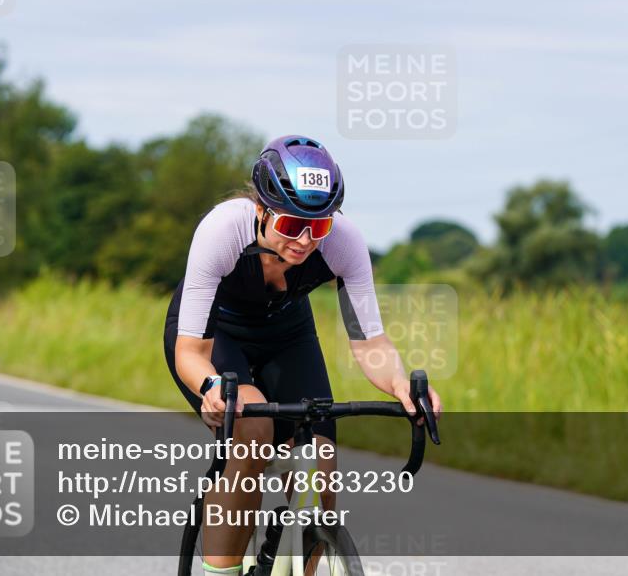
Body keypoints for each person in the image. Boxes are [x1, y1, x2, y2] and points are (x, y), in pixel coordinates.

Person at [163, 135, 442, 576]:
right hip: (217, 336)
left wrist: (399, 384)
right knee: (253, 429)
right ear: (262, 209)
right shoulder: (223, 230)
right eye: (293, 225)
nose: (306, 240)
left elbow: (370, 342)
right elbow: (190, 352)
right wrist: (212, 386)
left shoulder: (344, 242)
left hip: (287, 333)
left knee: (321, 466)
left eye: (320, 226)